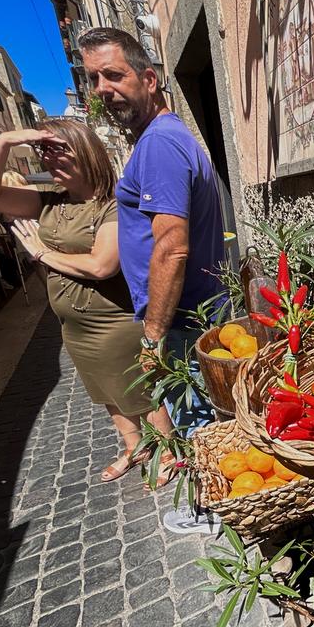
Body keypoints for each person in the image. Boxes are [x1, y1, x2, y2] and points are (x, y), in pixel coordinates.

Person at [0, 117, 177, 484]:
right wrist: (6, 140)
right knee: (105, 391)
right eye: (43, 151)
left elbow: (101, 265)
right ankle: (134, 447)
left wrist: (41, 253)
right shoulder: (49, 204)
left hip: (113, 322)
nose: (49, 160)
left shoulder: (113, 204)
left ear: (86, 152)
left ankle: (169, 452)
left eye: (58, 151)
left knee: (142, 391)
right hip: (74, 326)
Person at [80, 27, 225, 531]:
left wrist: (153, 336)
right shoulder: (164, 139)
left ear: (150, 78)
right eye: (93, 78)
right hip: (192, 312)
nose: (102, 88)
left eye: (113, 74)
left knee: (196, 419)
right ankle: (220, 498)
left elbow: (171, 246)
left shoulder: (159, 146)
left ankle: (215, 508)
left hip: (182, 318)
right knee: (200, 416)